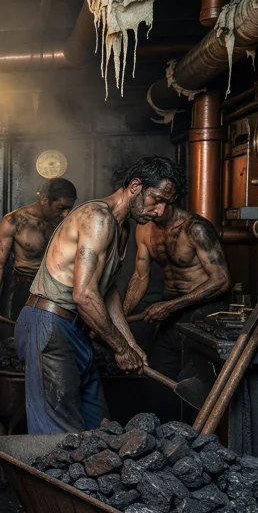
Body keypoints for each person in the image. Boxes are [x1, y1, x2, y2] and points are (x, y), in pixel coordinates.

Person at [16, 156, 181, 434]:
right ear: (135, 186)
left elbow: (106, 290)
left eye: (167, 204)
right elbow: (84, 295)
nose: (160, 211)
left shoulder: (123, 228)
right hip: (50, 325)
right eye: (157, 199)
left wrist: (131, 344)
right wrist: (120, 348)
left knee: (100, 429)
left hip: (78, 329)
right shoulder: (97, 219)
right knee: (58, 438)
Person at [122, 201, 231, 416]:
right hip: (172, 315)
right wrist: (120, 317)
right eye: (153, 203)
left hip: (204, 314)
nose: (159, 211)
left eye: (164, 202)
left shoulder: (195, 228)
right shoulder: (145, 228)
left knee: (196, 386)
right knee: (157, 385)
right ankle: (168, 442)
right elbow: (140, 276)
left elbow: (222, 280)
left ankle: (198, 441)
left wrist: (171, 306)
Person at [0, 178, 76, 320]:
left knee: (49, 340)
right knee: (15, 339)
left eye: (69, 208)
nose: (65, 214)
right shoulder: (14, 221)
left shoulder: (68, 223)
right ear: (44, 199)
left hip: (56, 292)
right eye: (61, 208)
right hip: (22, 289)